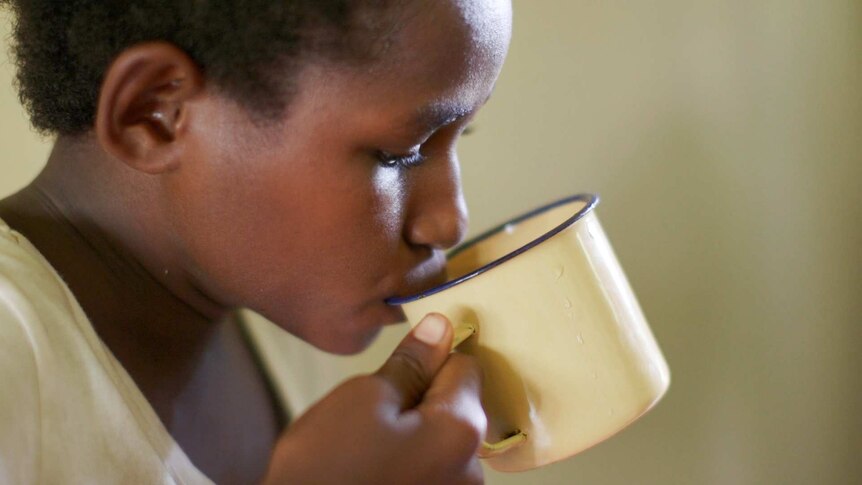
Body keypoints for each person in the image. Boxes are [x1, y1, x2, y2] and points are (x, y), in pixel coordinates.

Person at [0, 0, 512, 483]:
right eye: (398, 153)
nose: (450, 222)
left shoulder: (272, 320)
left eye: (460, 135)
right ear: (153, 114)